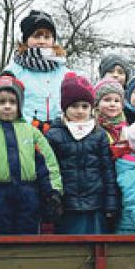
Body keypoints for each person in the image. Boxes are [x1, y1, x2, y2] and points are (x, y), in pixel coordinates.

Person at [0, 76, 63, 235]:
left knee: (29, 237)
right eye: (2, 102)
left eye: (12, 102)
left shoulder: (32, 133)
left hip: (28, 195)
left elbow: (48, 165)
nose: (7, 106)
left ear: (20, 105)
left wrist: (53, 192)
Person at [45, 74, 120, 234]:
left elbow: (107, 171)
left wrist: (111, 203)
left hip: (96, 205)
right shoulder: (54, 135)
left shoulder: (98, 134)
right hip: (67, 206)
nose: (80, 111)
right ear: (65, 107)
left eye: (85, 106)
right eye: (74, 106)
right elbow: (50, 171)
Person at [5, 10, 70, 132]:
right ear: (26, 39)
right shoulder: (13, 71)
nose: (42, 41)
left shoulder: (65, 73)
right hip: (23, 130)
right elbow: (5, 102)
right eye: (36, 36)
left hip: (59, 132)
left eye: (47, 36)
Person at [94, 78, 127, 145]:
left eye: (116, 101)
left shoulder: (124, 124)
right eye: (107, 100)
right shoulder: (94, 125)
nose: (112, 104)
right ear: (97, 104)